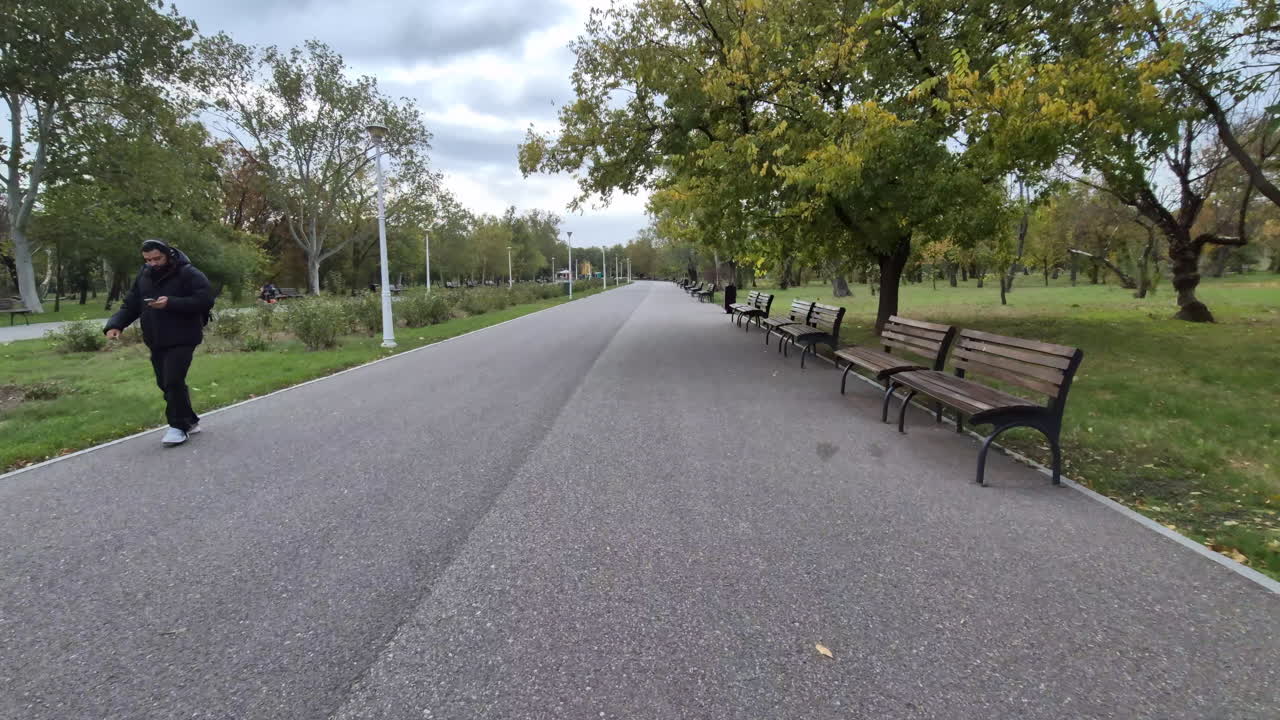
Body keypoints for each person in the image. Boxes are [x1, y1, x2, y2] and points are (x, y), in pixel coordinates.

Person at [104, 239, 215, 447]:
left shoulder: (188, 272)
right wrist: (115, 325)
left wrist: (171, 302)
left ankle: (177, 427)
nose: (153, 263)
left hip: (184, 336)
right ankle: (189, 420)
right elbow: (131, 304)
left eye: (157, 258)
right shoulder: (144, 275)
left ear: (168, 255)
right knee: (164, 383)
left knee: (173, 380)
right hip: (156, 338)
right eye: (148, 260)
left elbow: (205, 299)